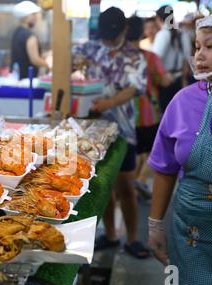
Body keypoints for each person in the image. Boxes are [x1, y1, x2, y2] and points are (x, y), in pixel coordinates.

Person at [148, 12, 212, 285]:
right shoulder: (184, 102)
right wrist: (155, 225)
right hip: (189, 239)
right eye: (196, 47)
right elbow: (164, 167)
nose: (199, 56)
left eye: (210, 46)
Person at [73, 7, 150, 259]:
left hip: (122, 130)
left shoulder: (135, 57)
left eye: (111, 37)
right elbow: (66, 62)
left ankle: (134, 239)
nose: (107, 41)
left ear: (125, 30)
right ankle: (111, 235)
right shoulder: (90, 49)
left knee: (126, 186)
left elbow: (132, 89)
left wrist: (108, 103)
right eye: (104, 36)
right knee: (101, 185)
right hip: (90, 131)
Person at [126, 16, 173, 201]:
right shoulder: (150, 57)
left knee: (135, 150)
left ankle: (133, 185)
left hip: (126, 113)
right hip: (147, 112)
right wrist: (169, 77)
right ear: (142, 32)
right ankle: (140, 180)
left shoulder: (119, 57)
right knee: (152, 148)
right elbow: (163, 80)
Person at [152, 5, 192, 112]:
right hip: (179, 80)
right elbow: (186, 60)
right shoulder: (183, 33)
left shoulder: (163, 34)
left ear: (158, 19)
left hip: (165, 81)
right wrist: (184, 80)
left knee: (166, 114)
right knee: (177, 113)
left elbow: (155, 59)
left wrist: (161, 76)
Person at [11, 1, 49, 80]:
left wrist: (45, 55)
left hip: (18, 78)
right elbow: (35, 60)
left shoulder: (17, 32)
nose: (36, 17)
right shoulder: (30, 36)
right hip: (28, 80)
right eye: (33, 14)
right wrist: (51, 65)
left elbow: (23, 54)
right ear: (25, 17)